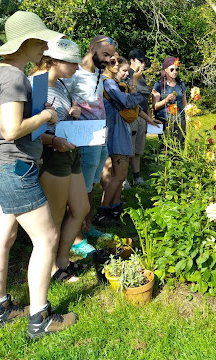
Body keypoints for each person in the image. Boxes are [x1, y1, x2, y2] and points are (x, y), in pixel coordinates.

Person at [0, 11, 77, 339]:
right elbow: (11, 129)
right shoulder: (14, 77)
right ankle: (40, 319)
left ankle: (0, 310)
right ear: (26, 42)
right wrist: (47, 114)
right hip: (14, 168)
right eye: (40, 42)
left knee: (2, 239)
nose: (44, 49)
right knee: (46, 238)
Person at [30, 38, 90, 283]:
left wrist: (72, 115)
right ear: (54, 61)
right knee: (54, 216)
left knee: (81, 208)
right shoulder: (37, 85)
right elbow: (29, 132)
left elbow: (57, 120)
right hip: (52, 154)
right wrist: (53, 141)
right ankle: (53, 268)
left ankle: (63, 260)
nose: (77, 68)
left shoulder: (61, 84)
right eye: (73, 63)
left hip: (69, 151)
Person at [59, 35, 117, 255]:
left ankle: (87, 225)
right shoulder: (74, 74)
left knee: (90, 186)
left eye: (111, 56)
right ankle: (76, 238)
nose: (109, 60)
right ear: (92, 48)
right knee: (79, 188)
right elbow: (60, 99)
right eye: (105, 54)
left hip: (99, 137)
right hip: (82, 139)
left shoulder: (99, 73)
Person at [93, 57, 147, 227]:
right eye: (112, 62)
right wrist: (138, 90)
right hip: (115, 131)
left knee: (118, 174)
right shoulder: (108, 83)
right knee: (120, 174)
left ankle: (115, 208)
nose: (116, 65)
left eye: (118, 62)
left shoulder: (111, 83)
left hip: (117, 128)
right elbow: (127, 101)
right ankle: (103, 211)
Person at [127, 48, 152, 186]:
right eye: (141, 61)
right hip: (131, 116)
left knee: (138, 148)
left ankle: (136, 177)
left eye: (145, 61)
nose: (143, 64)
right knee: (128, 149)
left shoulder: (141, 76)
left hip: (142, 116)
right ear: (132, 60)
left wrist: (149, 117)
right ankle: (123, 179)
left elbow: (145, 98)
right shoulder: (127, 74)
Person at [152, 56, 188, 146]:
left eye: (177, 69)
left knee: (179, 146)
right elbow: (155, 106)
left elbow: (184, 102)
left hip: (179, 120)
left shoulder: (181, 84)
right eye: (172, 69)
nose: (175, 72)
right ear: (165, 70)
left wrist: (187, 116)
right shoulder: (159, 85)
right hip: (164, 121)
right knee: (165, 147)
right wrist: (166, 100)